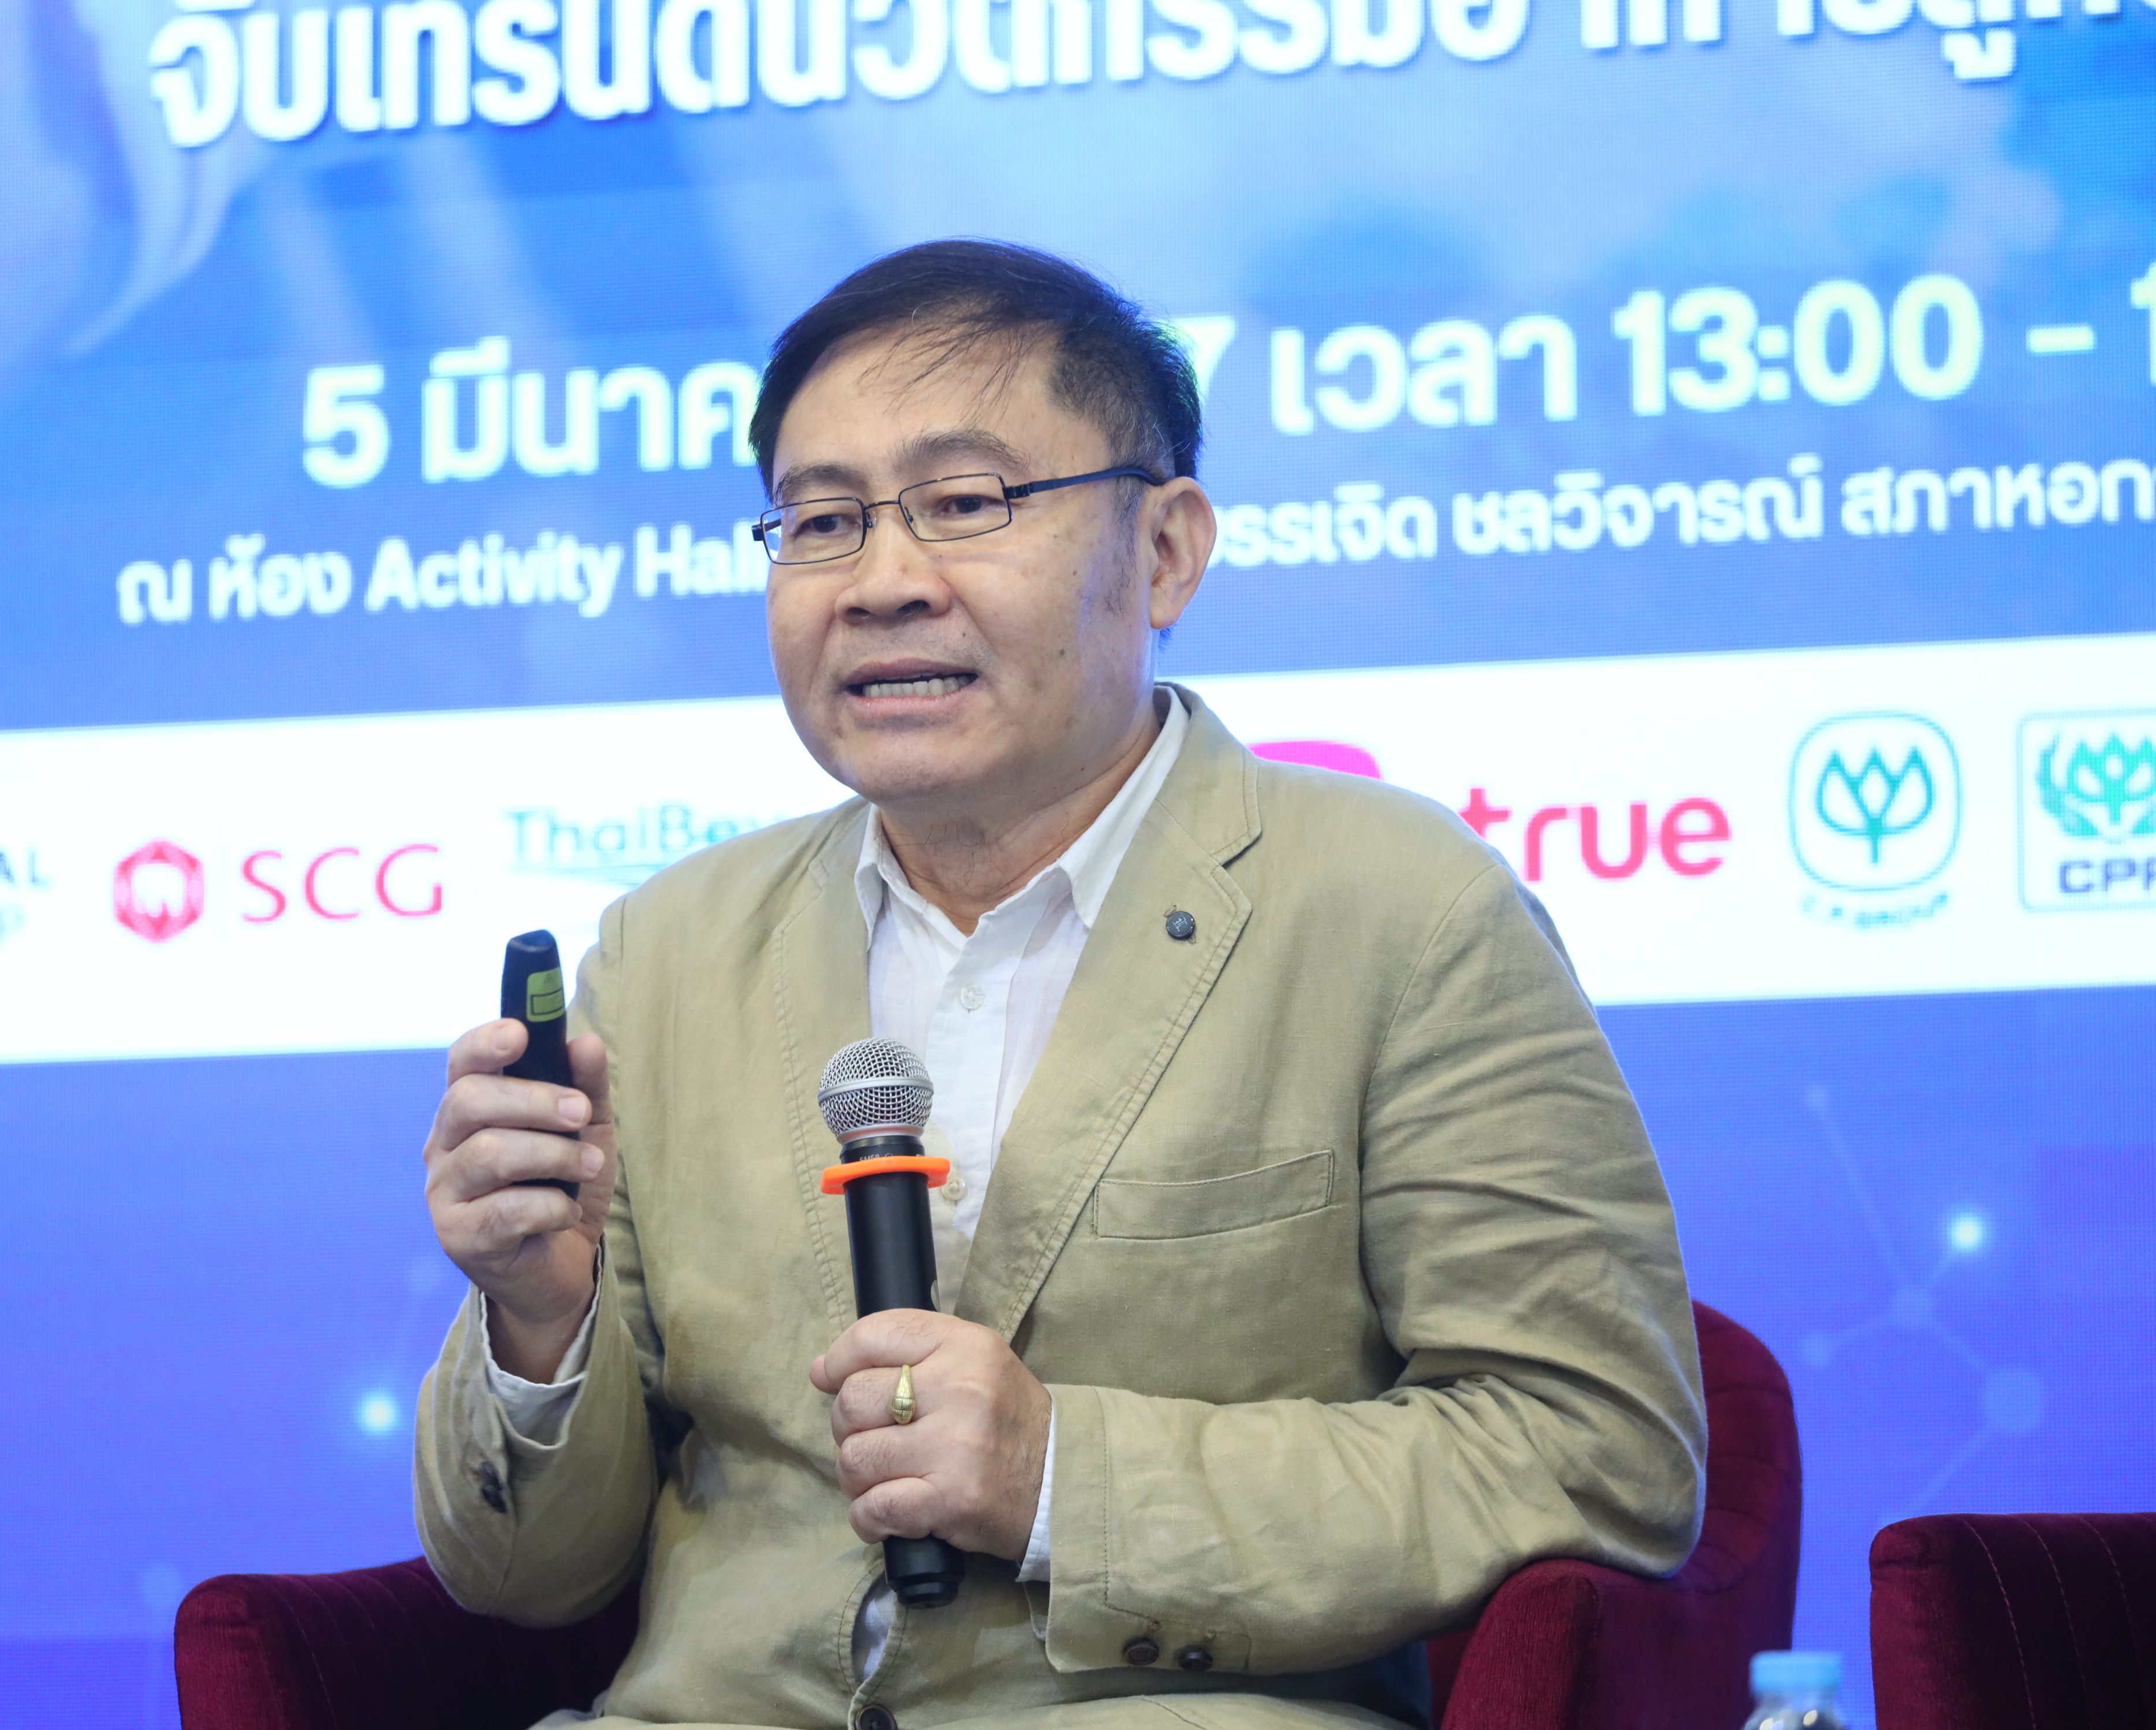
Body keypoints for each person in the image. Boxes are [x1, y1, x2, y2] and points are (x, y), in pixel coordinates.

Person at [415, 240, 1705, 1730]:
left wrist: (1061, 1479)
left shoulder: (1399, 909)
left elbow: (1598, 1454)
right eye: (823, 522)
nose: (883, 584)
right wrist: (539, 1320)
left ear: (1165, 552)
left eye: (968, 504)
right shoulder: (668, 951)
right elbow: (521, 1580)